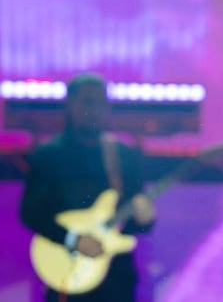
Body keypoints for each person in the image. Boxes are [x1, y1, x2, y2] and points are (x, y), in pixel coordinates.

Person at [20, 73, 156, 302]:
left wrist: (145, 218)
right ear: (70, 105)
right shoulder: (49, 155)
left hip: (115, 278)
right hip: (68, 272)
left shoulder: (124, 155)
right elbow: (31, 213)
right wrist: (73, 239)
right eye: (87, 102)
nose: (94, 110)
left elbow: (134, 220)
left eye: (101, 103)